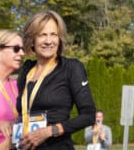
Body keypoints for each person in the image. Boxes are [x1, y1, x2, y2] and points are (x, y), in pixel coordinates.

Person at [14, 10, 98, 150]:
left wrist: (49, 131)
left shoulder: (71, 68)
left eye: (54, 35)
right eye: (42, 35)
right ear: (32, 40)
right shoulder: (26, 70)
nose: (48, 41)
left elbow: (89, 115)